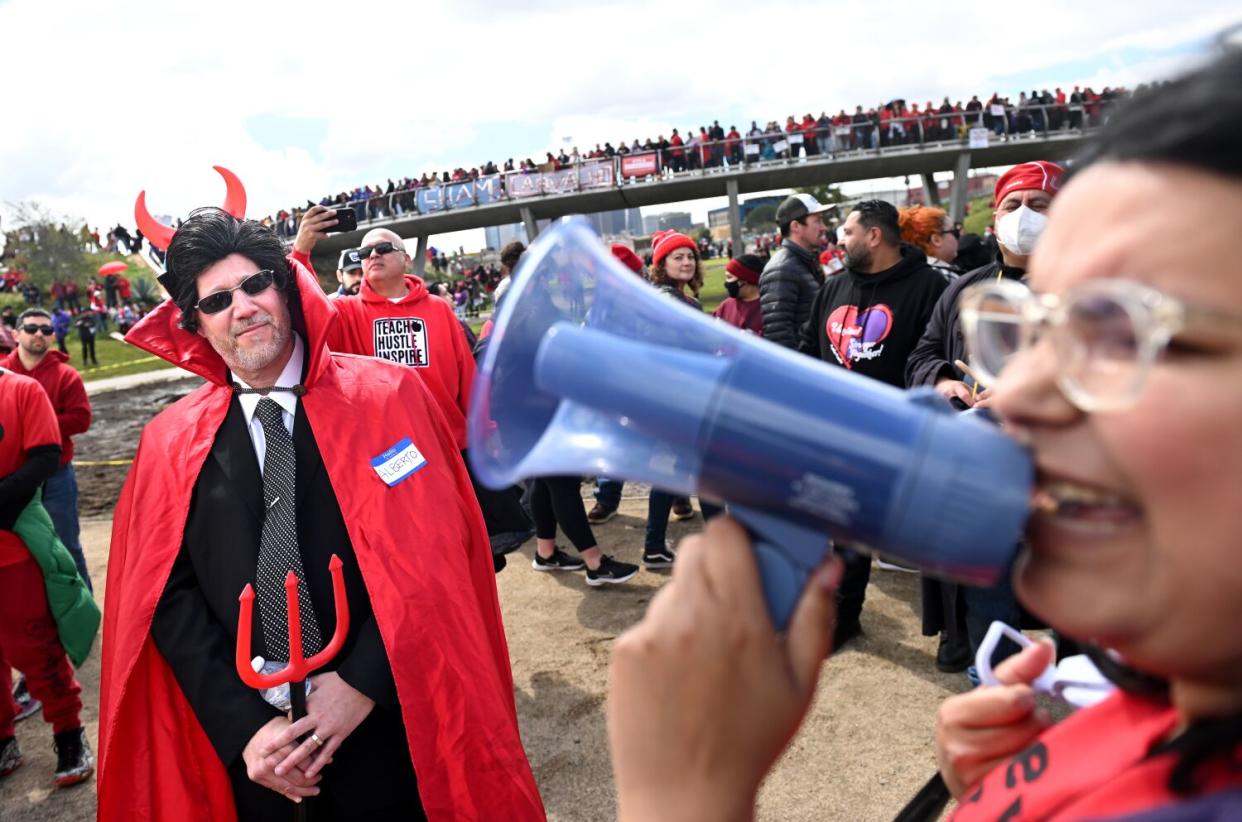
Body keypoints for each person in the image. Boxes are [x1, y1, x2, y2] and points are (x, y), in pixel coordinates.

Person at [608, 49, 1242, 820]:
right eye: (1029, 331)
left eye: (1131, 333)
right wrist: (1037, 773)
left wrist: (682, 797)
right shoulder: (1147, 692)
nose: (1021, 398)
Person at [97, 209, 543, 820]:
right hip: (260, 756)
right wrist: (245, 730)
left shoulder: (389, 398)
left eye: (256, 285)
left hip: (390, 725)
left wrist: (361, 682)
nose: (244, 307)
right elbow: (165, 598)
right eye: (218, 299)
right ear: (195, 324)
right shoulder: (169, 442)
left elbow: (436, 553)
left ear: (286, 287)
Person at [906, 161, 1065, 675]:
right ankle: (995, 689)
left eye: (1039, 205)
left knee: (1078, 605)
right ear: (995, 220)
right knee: (988, 598)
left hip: (1064, 484)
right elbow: (923, 354)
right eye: (1012, 206)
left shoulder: (1087, 289)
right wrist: (943, 381)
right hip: (983, 479)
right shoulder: (963, 289)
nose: (1025, 217)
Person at [800, 199, 948, 648]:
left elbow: (932, 358)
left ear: (874, 236)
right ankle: (843, 617)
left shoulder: (928, 287)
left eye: (846, 231)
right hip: (838, 437)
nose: (837, 239)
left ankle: (953, 631)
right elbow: (810, 348)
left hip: (902, 437)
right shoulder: (832, 287)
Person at [0, 368, 97, 789]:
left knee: (36, 646)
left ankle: (69, 734)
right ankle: (4, 738)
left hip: (14, 546)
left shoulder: (21, 389)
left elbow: (43, 457)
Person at [2, 309, 93, 590]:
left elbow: (81, 419)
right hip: (10, 477)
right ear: (16, 334)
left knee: (66, 543)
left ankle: (82, 609)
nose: (39, 334)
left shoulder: (67, 376)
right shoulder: (4, 374)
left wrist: (36, 418)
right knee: (16, 549)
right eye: (31, 328)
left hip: (55, 474)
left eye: (46, 330)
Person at [758, 194, 830, 350]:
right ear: (796, 226)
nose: (824, 227)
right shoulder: (781, 269)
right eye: (817, 221)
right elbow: (779, 337)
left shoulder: (803, 261)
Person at [898, 205, 962, 281]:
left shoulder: (906, 274)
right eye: (954, 232)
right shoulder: (944, 277)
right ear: (936, 240)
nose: (960, 236)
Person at [712, 254, 764, 335]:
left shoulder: (767, 309)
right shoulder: (725, 306)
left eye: (729, 277)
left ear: (745, 280)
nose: (726, 283)